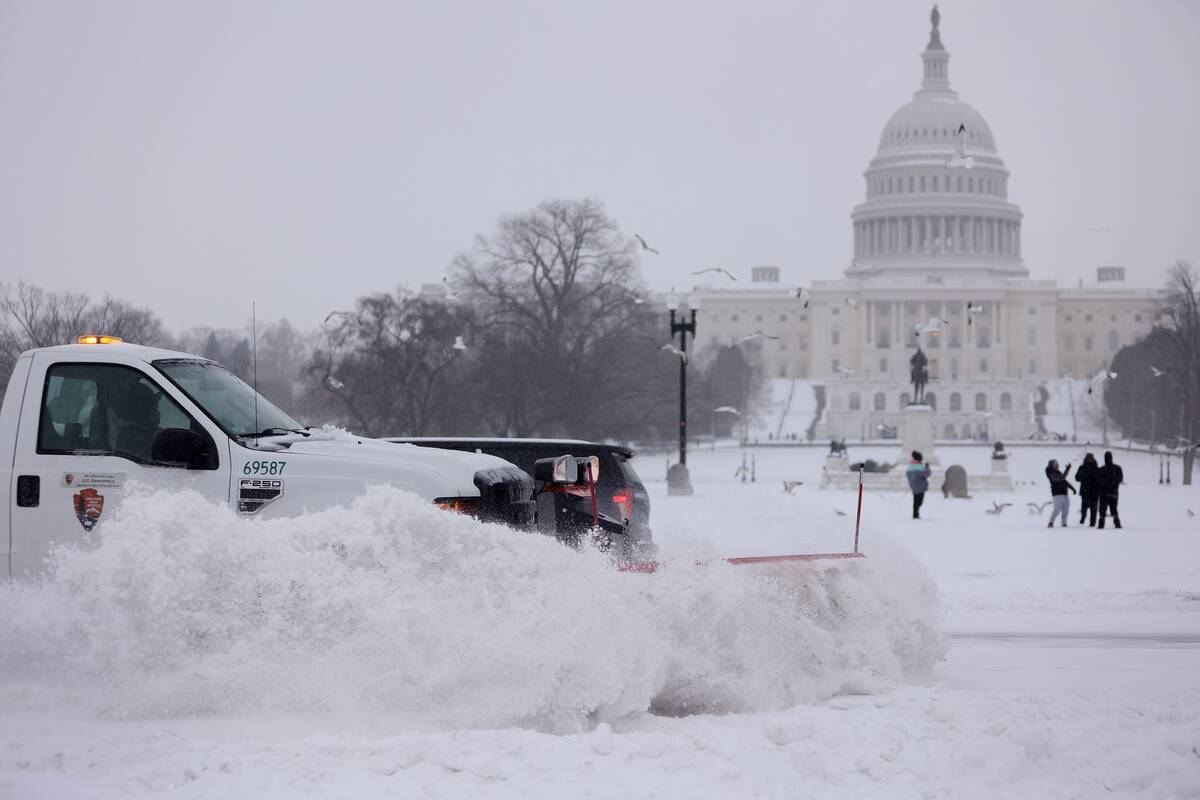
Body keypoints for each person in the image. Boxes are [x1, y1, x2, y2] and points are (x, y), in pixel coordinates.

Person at [1045, 459, 1076, 528]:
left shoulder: (1058, 473)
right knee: (1057, 509)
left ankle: (1064, 523)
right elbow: (1061, 478)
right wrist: (1067, 470)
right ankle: (1051, 523)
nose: (1057, 466)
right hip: (1057, 494)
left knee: (1066, 510)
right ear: (1052, 466)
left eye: (1058, 465)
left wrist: (1072, 488)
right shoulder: (1051, 474)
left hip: (1064, 493)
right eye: (1056, 465)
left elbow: (1064, 481)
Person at [1097, 450, 1124, 529]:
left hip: (1104, 492)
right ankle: (1117, 523)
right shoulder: (1117, 468)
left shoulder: (1102, 469)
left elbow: (1098, 480)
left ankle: (1101, 524)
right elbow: (1120, 478)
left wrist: (1104, 483)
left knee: (1103, 509)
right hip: (1113, 492)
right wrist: (1112, 483)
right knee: (1114, 508)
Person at [1075, 452, 1101, 527]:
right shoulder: (1082, 468)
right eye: (1088, 459)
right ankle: (1083, 517)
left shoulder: (1096, 469)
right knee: (1084, 506)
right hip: (1085, 491)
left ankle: (1092, 522)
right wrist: (1084, 474)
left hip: (1094, 491)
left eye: (1091, 459)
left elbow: (1100, 480)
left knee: (1094, 508)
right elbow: (1077, 478)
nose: (1090, 460)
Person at [906, 450, 931, 519]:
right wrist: (927, 467)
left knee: (916, 500)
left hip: (913, 486)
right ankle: (915, 514)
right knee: (919, 501)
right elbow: (927, 474)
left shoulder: (910, 466)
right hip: (920, 486)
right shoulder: (919, 467)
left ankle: (915, 514)